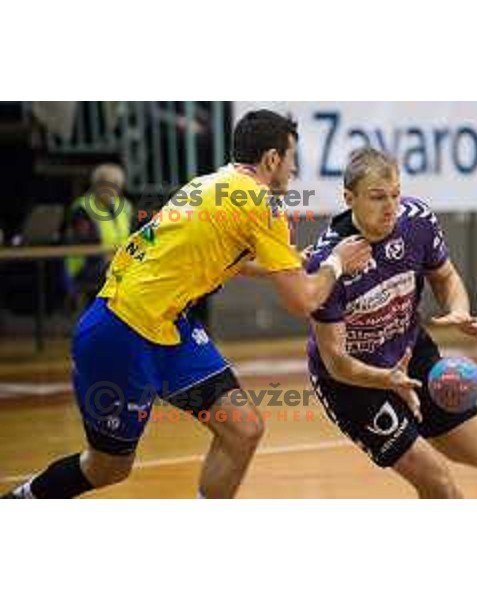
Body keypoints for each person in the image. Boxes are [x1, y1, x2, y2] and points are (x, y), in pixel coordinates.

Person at [2, 110, 372, 499]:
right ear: (272, 159)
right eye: (292, 158)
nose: (295, 169)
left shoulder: (211, 183)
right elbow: (303, 301)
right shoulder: (261, 204)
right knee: (107, 467)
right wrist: (336, 263)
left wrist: (286, 264)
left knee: (242, 427)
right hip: (121, 330)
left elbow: (221, 257)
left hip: (168, 328)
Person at [306, 148, 477, 499]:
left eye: (395, 194)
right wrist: (386, 381)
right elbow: (334, 360)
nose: (390, 206)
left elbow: (445, 277)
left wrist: (458, 308)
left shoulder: (417, 221)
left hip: (410, 353)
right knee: (439, 483)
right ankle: (405, 443)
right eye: (377, 197)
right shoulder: (326, 262)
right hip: (351, 383)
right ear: (349, 198)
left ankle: (409, 436)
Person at [64, 163, 134, 307]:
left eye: (116, 184)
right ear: (96, 185)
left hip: (117, 264)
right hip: (87, 267)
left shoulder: (125, 206)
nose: (111, 189)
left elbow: (135, 236)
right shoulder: (82, 208)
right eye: (106, 184)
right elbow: (83, 243)